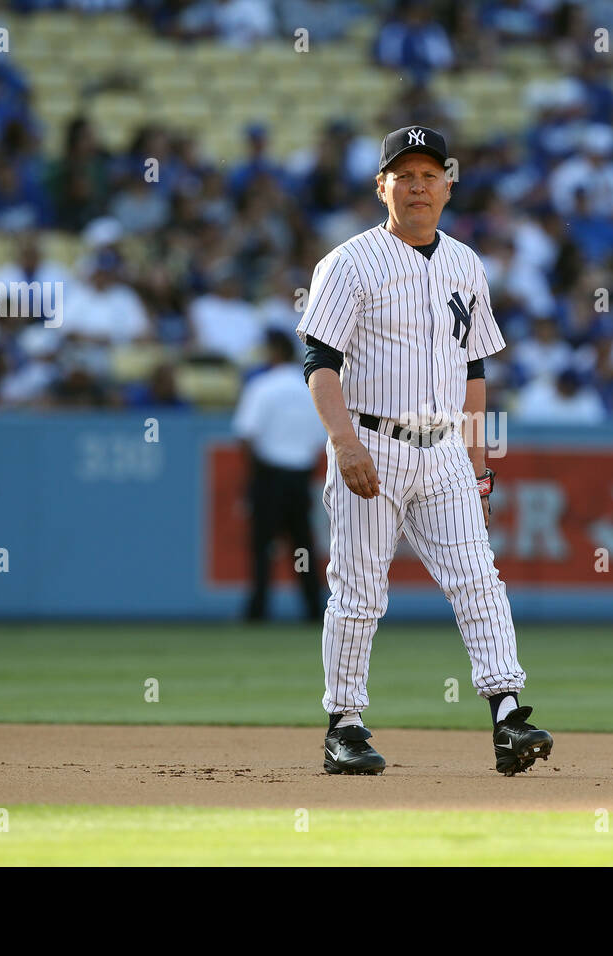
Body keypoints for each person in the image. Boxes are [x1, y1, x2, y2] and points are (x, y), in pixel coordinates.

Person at [296, 125, 553, 776]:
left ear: (448, 183)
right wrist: (344, 441)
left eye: (429, 174)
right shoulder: (349, 262)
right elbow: (319, 362)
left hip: (444, 449)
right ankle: (344, 726)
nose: (417, 186)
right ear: (382, 185)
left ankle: (508, 716)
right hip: (372, 441)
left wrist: (478, 463)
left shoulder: (467, 263)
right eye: (404, 175)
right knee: (358, 593)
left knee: (479, 581)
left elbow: (473, 373)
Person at [231, 330, 326, 622]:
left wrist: (254, 475)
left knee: (262, 547)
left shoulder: (261, 386)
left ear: (274, 352)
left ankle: (258, 610)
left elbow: (247, 436)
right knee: (303, 546)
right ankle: (313, 610)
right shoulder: (310, 388)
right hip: (299, 476)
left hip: (269, 475)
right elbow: (322, 436)